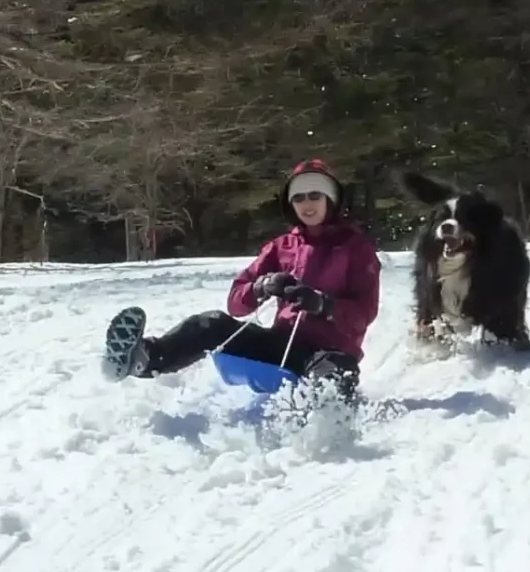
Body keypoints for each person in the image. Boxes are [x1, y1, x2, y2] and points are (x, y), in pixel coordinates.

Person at [101, 159, 382, 399]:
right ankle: (146, 358)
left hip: (328, 352)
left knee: (333, 376)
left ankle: (326, 420)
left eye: (314, 196)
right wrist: (262, 287)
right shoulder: (281, 246)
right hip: (279, 346)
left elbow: (365, 313)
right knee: (210, 323)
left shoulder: (357, 249)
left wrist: (323, 305)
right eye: (298, 197)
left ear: (330, 199)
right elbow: (236, 303)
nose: (307, 204)